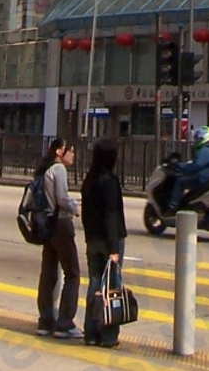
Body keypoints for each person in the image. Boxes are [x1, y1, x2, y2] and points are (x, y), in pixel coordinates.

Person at [81, 138, 127, 347]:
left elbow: (86, 215)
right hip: (109, 240)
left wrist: (90, 237)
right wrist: (114, 249)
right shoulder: (109, 182)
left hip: (93, 239)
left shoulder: (89, 181)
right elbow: (111, 215)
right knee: (111, 287)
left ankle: (91, 332)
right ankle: (108, 334)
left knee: (95, 283)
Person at [34, 138, 81, 339]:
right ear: (61, 151)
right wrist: (75, 208)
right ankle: (65, 323)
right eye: (71, 151)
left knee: (49, 272)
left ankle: (45, 320)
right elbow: (62, 198)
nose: (73, 155)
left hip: (48, 224)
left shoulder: (45, 169)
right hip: (61, 223)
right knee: (72, 273)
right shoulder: (59, 169)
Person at [170, 125, 209, 210]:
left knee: (180, 181)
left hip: (205, 178)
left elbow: (195, 166)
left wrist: (179, 165)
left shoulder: (204, 150)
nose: (196, 141)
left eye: (198, 139)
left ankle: (172, 207)